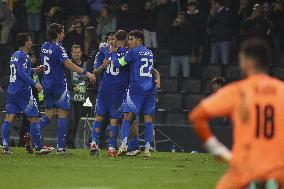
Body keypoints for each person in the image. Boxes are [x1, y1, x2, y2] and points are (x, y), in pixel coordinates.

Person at [189, 38, 284, 189]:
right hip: (279, 173)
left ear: (245, 61)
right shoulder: (281, 90)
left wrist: (216, 149)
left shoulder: (238, 91)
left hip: (244, 172)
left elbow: (197, 116)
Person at [39, 23, 96, 154]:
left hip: (46, 85)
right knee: (63, 115)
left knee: (48, 115)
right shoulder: (59, 48)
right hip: (58, 85)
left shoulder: (44, 46)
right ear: (58, 34)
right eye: (62, 33)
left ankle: (32, 131)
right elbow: (67, 63)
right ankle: (60, 148)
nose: (64, 35)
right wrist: (85, 72)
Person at [109, 30, 158, 157]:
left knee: (127, 117)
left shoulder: (133, 52)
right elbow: (150, 69)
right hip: (150, 89)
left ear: (139, 40)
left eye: (131, 39)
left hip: (136, 88)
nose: (129, 42)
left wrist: (114, 53)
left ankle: (124, 144)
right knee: (148, 120)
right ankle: (147, 149)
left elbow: (118, 64)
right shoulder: (149, 52)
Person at [1, 33, 50, 155]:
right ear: (26, 43)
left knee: (8, 119)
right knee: (33, 119)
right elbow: (22, 74)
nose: (31, 42)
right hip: (23, 92)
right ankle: (39, 148)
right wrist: (35, 84)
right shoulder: (24, 55)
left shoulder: (14, 55)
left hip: (12, 92)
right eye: (30, 41)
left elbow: (20, 71)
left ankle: (5, 147)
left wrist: (34, 70)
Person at [90, 30, 129, 157]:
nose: (112, 41)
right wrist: (103, 66)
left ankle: (111, 147)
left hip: (117, 92)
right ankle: (94, 144)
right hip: (105, 91)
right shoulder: (102, 53)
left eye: (114, 38)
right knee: (99, 117)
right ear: (107, 41)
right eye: (110, 39)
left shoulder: (122, 53)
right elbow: (94, 73)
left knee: (113, 120)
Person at [65, 44, 88, 149]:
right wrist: (72, 87)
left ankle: (71, 142)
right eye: (74, 52)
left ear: (81, 53)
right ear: (71, 53)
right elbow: (66, 79)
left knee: (77, 121)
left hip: (81, 98)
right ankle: (67, 143)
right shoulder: (68, 64)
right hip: (69, 97)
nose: (76, 54)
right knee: (71, 120)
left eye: (78, 52)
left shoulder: (85, 65)